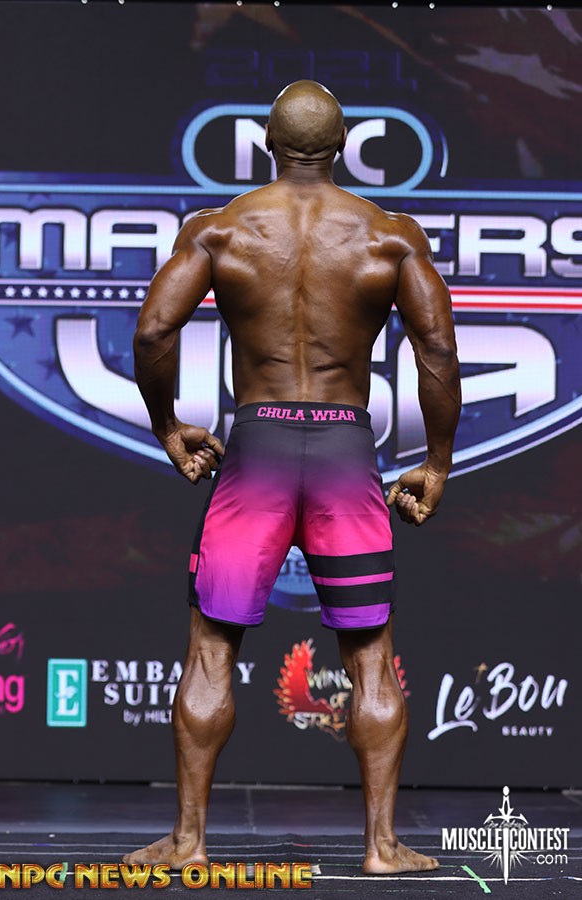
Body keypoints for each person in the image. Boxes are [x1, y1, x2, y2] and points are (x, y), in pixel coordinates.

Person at [124, 80, 461, 875]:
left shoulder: (220, 231)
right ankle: (381, 847)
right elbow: (439, 352)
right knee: (370, 653)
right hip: (344, 452)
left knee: (212, 646)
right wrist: (438, 463)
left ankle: (190, 841)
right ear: (343, 147)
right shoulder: (390, 237)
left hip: (259, 451)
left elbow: (153, 331)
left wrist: (167, 426)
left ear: (266, 145)